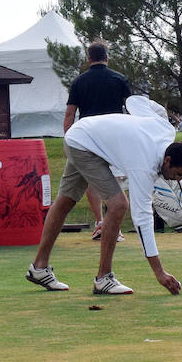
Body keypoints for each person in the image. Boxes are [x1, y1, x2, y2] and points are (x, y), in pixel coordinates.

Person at [27, 95, 182, 295]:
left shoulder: (166, 129)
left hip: (81, 135)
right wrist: (159, 272)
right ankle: (104, 278)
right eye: (177, 174)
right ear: (168, 160)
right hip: (84, 144)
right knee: (119, 204)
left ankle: (39, 268)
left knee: (65, 200)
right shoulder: (144, 164)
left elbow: (134, 102)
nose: (176, 180)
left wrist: (160, 113)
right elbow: (142, 219)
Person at [63, 40, 132, 241]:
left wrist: (68, 140)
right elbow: (130, 109)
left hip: (86, 138)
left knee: (92, 181)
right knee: (115, 180)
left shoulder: (79, 81)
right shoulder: (119, 79)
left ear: (89, 58)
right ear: (107, 57)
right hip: (113, 137)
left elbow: (70, 114)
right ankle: (114, 227)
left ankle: (101, 222)